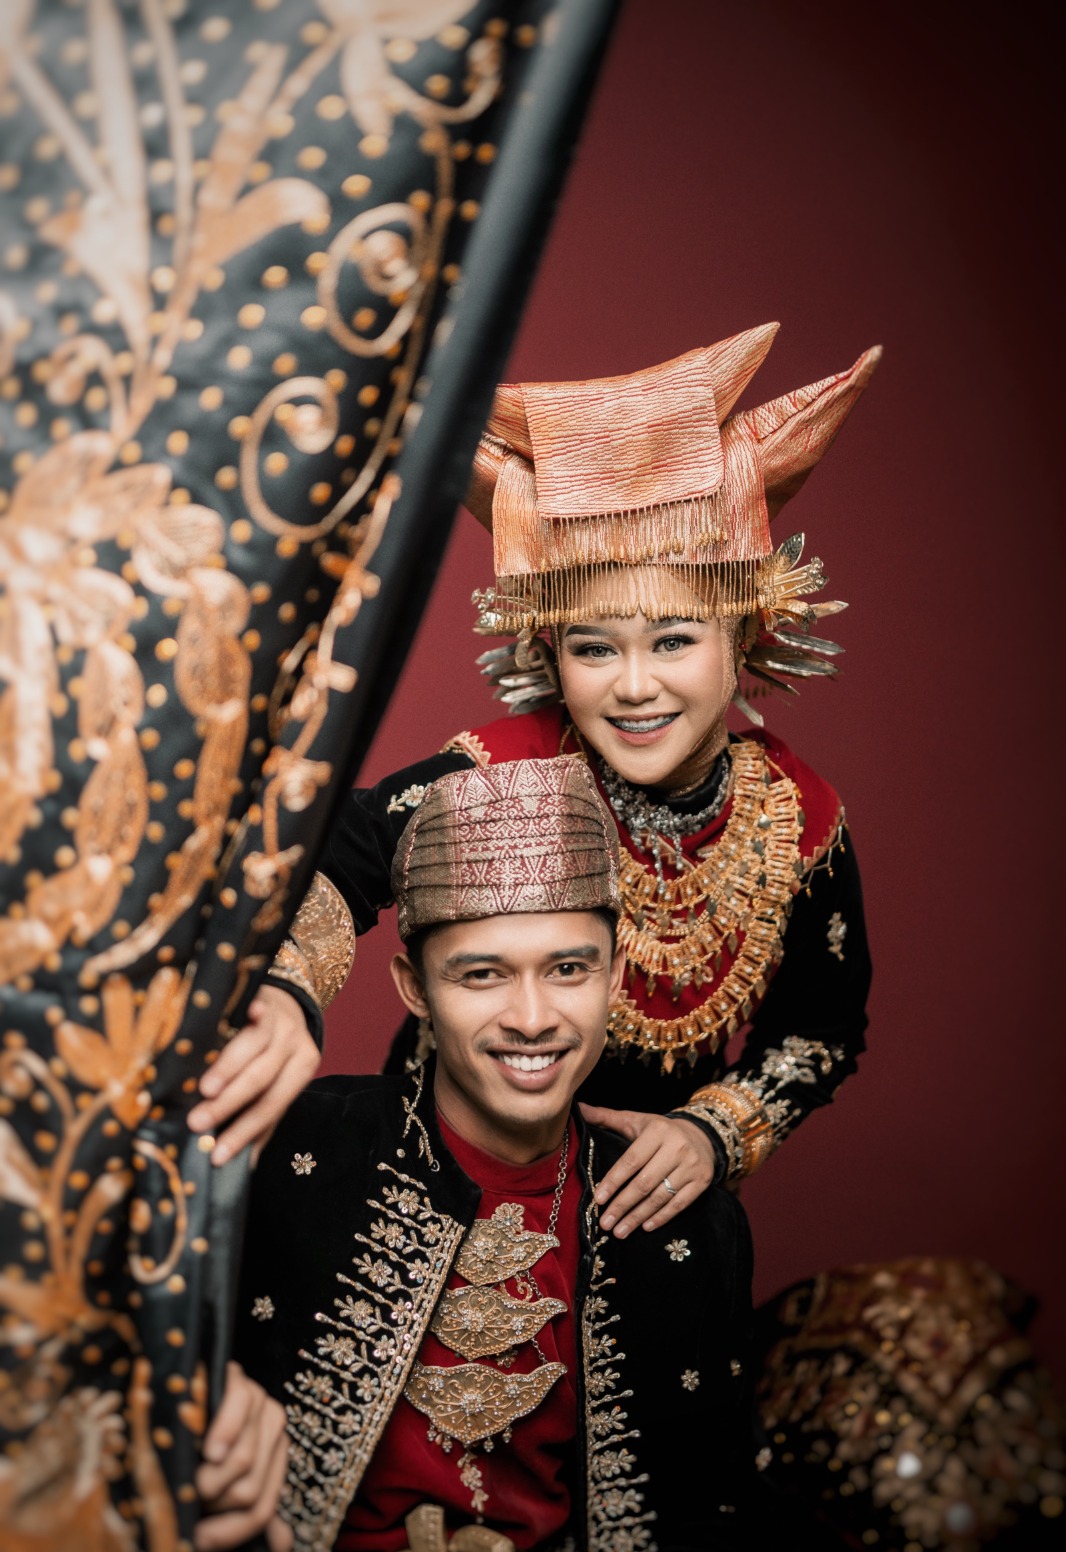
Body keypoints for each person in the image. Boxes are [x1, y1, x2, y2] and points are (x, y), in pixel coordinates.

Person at [193, 322, 877, 1240]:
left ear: (745, 635)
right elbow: (333, 862)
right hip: (428, 1203)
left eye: (674, 640)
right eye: (594, 649)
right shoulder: (503, 769)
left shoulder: (798, 818)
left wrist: (711, 1136)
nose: (634, 686)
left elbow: (821, 1032)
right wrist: (284, 992)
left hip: (640, 1228)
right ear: (549, 654)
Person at [235, 756, 760, 1552]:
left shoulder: (688, 1227)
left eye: (569, 969)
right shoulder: (294, 1152)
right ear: (415, 987)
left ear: (616, 975)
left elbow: (708, 1522)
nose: (532, 1018)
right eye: (482, 974)